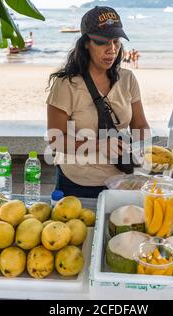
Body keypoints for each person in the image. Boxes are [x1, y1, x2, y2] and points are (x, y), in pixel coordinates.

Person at [46, 6, 150, 198]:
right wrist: (97, 145)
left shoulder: (127, 79)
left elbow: (140, 125)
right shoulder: (66, 84)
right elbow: (55, 139)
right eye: (102, 42)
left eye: (116, 42)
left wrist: (147, 148)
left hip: (121, 180)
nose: (112, 50)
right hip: (78, 183)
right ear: (86, 43)